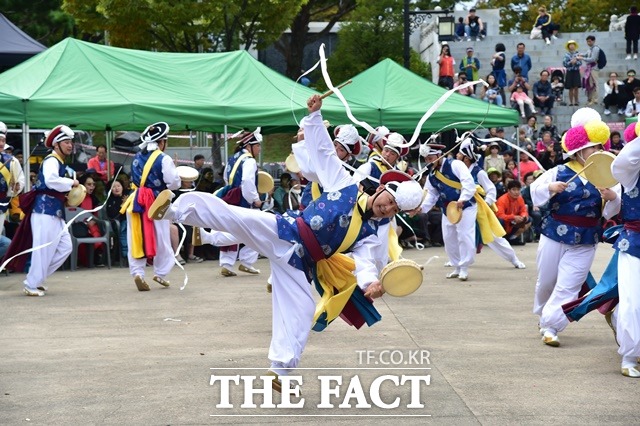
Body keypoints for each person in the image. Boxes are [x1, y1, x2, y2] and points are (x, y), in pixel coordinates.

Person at [146, 94, 425, 388]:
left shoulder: (369, 235)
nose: (388, 209)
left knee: (303, 310)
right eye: (389, 201)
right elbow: (322, 152)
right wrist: (314, 117)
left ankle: (280, 371)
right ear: (382, 188)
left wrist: (372, 286)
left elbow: (365, 265)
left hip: (301, 263)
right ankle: (174, 209)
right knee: (234, 217)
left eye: (395, 209)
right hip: (285, 231)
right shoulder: (345, 184)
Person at [530, 110, 618, 347]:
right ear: (579, 151)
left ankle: (551, 326)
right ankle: (543, 315)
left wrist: (612, 198)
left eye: (601, 148)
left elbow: (615, 210)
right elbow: (534, 192)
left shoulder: (608, 178)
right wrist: (550, 187)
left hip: (587, 239)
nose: (598, 153)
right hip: (554, 234)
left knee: (569, 285)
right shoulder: (559, 171)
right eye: (593, 149)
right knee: (546, 282)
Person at [5, 125, 79, 296]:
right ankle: (31, 284)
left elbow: (53, 185)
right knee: (42, 248)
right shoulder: (51, 160)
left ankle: (36, 279)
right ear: (56, 145)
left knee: (65, 246)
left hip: (54, 211)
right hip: (44, 211)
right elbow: (52, 181)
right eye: (66, 142)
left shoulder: (58, 161)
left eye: (71, 142)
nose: (70, 145)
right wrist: (71, 183)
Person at [121, 122, 180, 291]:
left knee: (135, 237)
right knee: (161, 237)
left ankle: (138, 273)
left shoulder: (137, 156)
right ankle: (160, 273)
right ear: (162, 142)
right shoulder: (163, 158)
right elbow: (173, 183)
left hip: (136, 199)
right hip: (155, 201)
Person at [456, 139, 526, 268]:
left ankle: (513, 258)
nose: (457, 156)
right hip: (463, 209)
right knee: (461, 236)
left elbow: (491, 189)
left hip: (478, 209)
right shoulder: (456, 172)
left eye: (460, 154)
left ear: (466, 158)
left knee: (495, 237)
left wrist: (485, 204)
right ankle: (459, 264)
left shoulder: (479, 172)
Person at [420, 142, 476, 281]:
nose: (428, 162)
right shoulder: (432, 175)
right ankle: (457, 266)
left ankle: (464, 268)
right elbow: (431, 195)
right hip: (447, 209)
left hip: (465, 206)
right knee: (449, 238)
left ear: (439, 155)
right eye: (426, 159)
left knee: (464, 236)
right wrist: (421, 209)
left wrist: (462, 199)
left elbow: (468, 182)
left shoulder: (455, 164)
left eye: (430, 158)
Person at [609, 132, 640, 377]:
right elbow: (619, 164)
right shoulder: (631, 173)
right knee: (632, 302)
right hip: (634, 243)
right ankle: (629, 356)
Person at [215, 129, 264, 277]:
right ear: (249, 146)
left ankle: (227, 264)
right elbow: (247, 182)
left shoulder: (232, 158)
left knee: (230, 228)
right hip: (243, 198)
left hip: (230, 195)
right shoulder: (249, 160)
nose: (259, 148)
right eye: (257, 146)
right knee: (256, 230)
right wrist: (255, 200)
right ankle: (247, 262)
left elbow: (226, 178)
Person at [0, 124, 25, 236]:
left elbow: (20, 179)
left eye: (3, 140)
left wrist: (17, 187)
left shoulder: (12, 161)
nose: (1, 143)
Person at [106, 179, 128, 261]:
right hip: (118, 223)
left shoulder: (128, 196)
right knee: (125, 227)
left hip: (132, 222)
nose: (116, 188)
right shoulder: (110, 201)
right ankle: (126, 255)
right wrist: (122, 206)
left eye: (118, 186)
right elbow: (112, 215)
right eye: (113, 187)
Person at [579, 35, 601, 106]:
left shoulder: (596, 49)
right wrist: (579, 54)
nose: (588, 43)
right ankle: (590, 99)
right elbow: (586, 54)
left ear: (593, 41)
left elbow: (593, 59)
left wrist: (582, 59)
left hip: (594, 68)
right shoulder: (590, 49)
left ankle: (595, 100)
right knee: (589, 84)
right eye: (587, 41)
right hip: (588, 68)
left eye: (590, 41)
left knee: (594, 84)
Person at [563, 40, 582, 106]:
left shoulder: (578, 54)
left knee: (576, 87)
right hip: (569, 71)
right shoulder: (566, 55)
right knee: (570, 87)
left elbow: (580, 63)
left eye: (573, 45)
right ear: (568, 47)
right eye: (570, 45)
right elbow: (565, 64)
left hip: (576, 71)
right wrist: (570, 62)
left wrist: (576, 62)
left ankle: (576, 101)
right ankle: (571, 102)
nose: (572, 46)